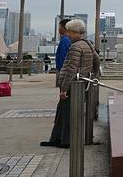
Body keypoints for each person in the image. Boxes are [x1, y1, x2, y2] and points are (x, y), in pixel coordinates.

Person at [40, 19, 100, 148]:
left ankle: (66, 140)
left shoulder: (75, 46)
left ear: (75, 32)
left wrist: (64, 89)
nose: (67, 34)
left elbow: (71, 69)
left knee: (67, 112)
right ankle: (56, 138)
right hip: (82, 82)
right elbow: (97, 61)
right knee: (62, 111)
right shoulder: (88, 44)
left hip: (73, 84)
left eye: (69, 31)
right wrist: (92, 75)